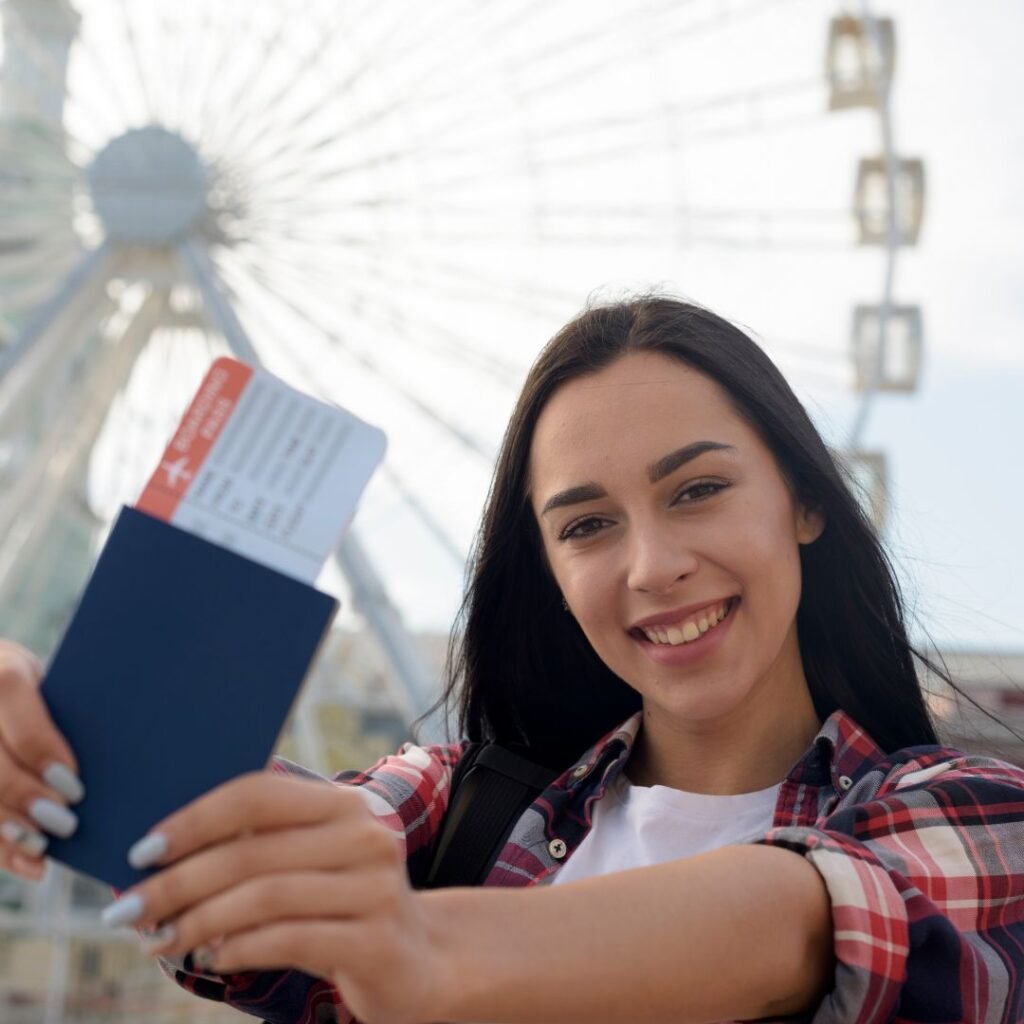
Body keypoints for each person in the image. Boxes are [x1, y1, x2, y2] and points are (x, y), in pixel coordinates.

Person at [0, 295, 1022, 1024]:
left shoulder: (967, 813)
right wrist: (60, 740)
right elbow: (243, 831)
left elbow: (805, 918)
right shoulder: (458, 809)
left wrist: (421, 949)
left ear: (804, 501)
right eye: (586, 526)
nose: (653, 565)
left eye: (698, 490)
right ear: (546, 568)